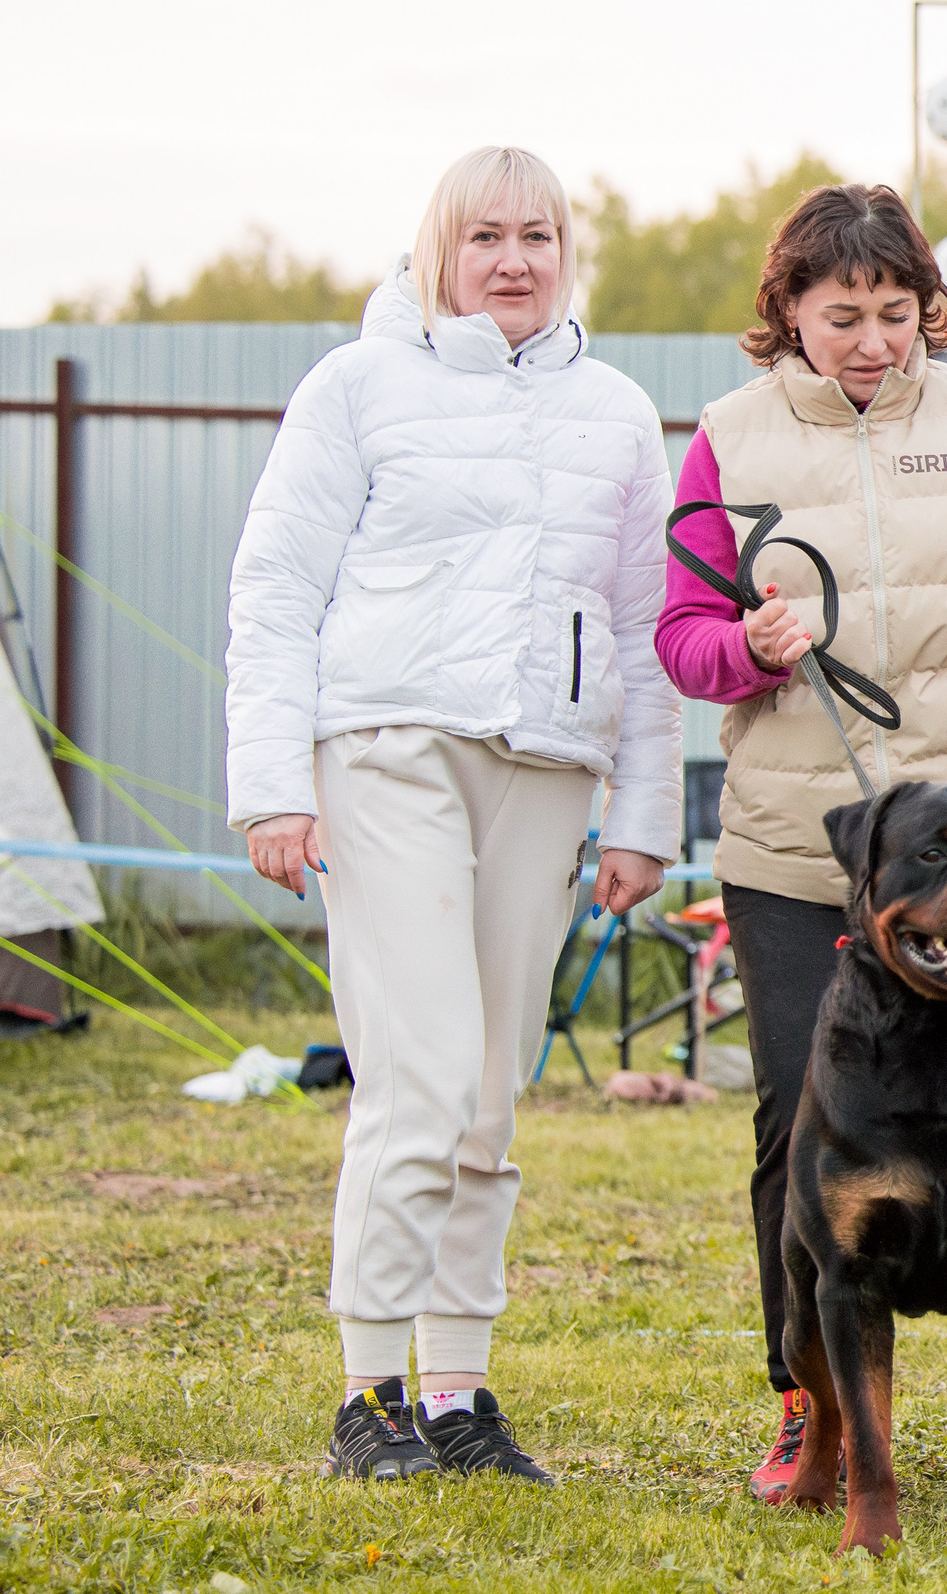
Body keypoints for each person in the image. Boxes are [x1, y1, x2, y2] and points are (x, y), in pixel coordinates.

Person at [226, 146, 680, 1483]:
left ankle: (459, 1398)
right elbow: (276, 588)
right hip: (383, 752)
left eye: (538, 235)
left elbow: (647, 634)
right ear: (439, 249)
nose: (515, 260)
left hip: (546, 767)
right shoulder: (357, 387)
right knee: (418, 1074)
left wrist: (642, 815)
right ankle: (365, 1394)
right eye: (486, 235)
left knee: (490, 1093)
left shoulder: (617, 411)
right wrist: (270, 786)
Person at [654, 184, 947, 1505]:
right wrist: (745, 647)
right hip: (801, 853)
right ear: (787, 312)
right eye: (840, 314)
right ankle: (813, 1409)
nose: (871, 342)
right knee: (800, 1124)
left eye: (895, 314)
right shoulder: (728, 439)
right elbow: (681, 634)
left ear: (929, 312)